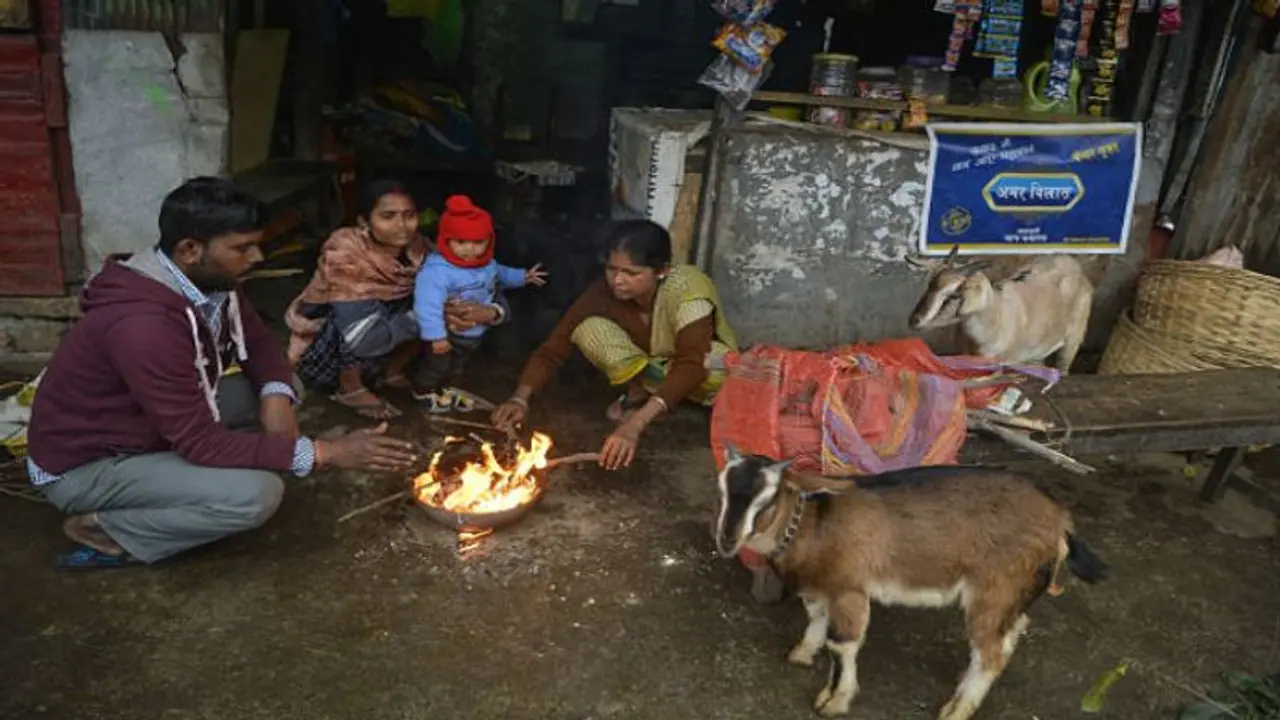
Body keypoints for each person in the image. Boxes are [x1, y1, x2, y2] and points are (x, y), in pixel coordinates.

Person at [25, 176, 419, 569]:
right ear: (190, 249)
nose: (258, 257)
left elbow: (260, 344)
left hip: (142, 425)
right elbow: (200, 443)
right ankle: (112, 529)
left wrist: (276, 395)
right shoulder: (144, 326)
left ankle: (197, 472)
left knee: (285, 385)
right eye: (242, 248)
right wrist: (327, 452)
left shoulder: (210, 282)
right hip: (87, 465)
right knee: (257, 494)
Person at [490, 220, 738, 470]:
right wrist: (519, 399)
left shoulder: (688, 288)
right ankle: (640, 393)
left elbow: (691, 364)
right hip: (656, 369)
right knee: (589, 329)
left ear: (661, 270)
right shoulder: (603, 292)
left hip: (699, 369)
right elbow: (554, 347)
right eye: (612, 269)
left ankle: (652, 402)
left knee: (711, 366)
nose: (618, 280)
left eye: (631, 273)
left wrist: (634, 426)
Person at [285, 181, 509, 419]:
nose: (401, 226)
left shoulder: (421, 250)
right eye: (388, 216)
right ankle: (350, 387)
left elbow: (479, 284)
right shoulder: (346, 252)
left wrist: (491, 311)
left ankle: (392, 370)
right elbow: (363, 341)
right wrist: (433, 314)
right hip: (327, 351)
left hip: (383, 338)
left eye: (409, 215)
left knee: (441, 294)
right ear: (364, 222)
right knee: (368, 316)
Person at [412, 194, 547, 412]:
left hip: (474, 333)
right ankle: (423, 393)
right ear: (445, 240)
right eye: (461, 242)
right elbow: (427, 306)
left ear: (489, 241)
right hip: (446, 335)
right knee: (436, 366)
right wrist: (435, 336)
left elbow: (501, 274)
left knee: (458, 367)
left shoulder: (487, 264)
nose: (470, 249)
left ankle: (448, 393)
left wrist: (523, 276)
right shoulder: (437, 271)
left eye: (478, 242)